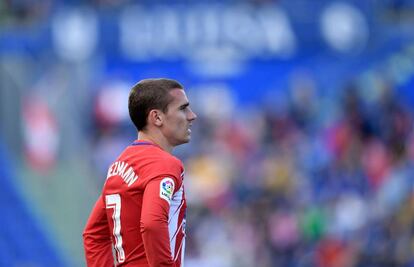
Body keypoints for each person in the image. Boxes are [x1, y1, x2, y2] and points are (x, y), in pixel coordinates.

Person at [83, 78, 197, 267]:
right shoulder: (165, 164)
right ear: (157, 117)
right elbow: (152, 223)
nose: (192, 116)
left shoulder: (119, 166)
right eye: (183, 108)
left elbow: (93, 234)